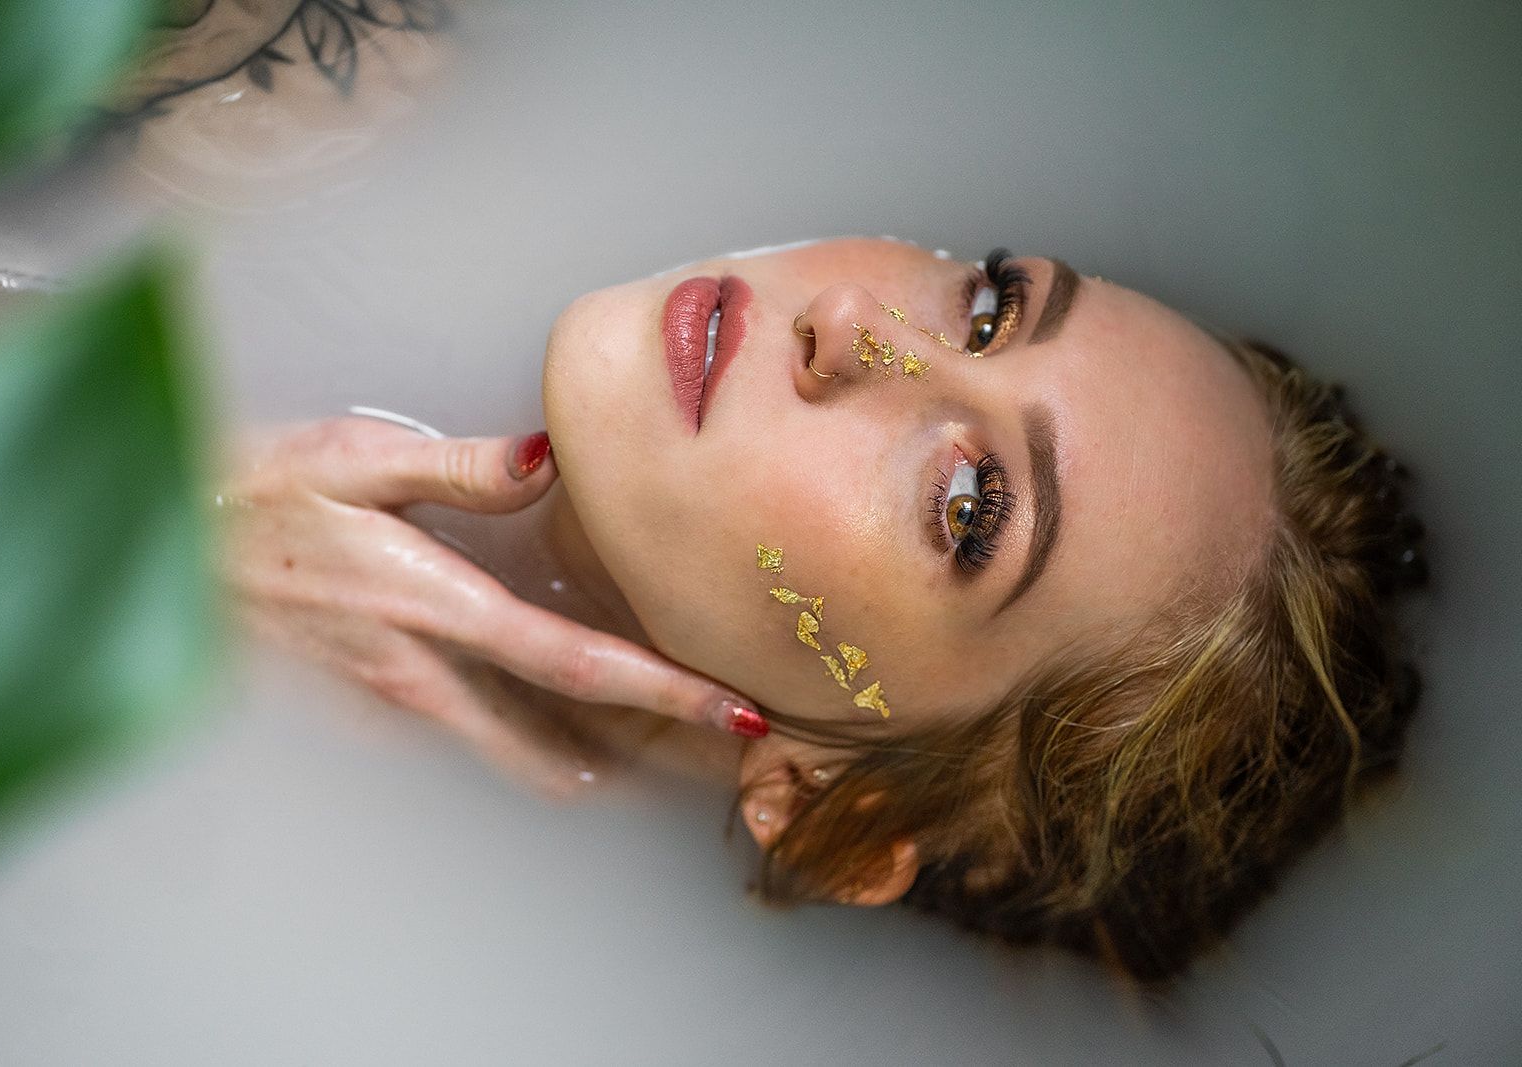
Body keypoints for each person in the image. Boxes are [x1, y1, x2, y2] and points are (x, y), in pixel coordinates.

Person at [216, 237, 1426, 979]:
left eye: (967, 506)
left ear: (832, 811)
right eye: (990, 308)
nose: (850, 323)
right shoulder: (317, 77)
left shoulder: (319, 929)